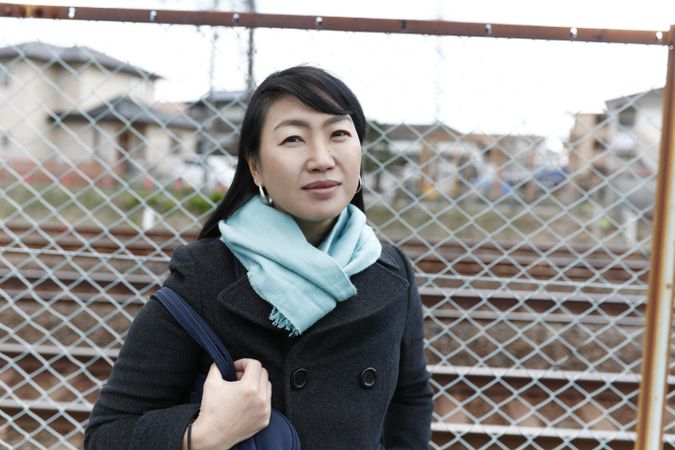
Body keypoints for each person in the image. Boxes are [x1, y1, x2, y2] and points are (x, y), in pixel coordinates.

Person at [84, 65, 433, 450]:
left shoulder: (390, 270)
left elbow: (410, 398)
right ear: (255, 166)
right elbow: (106, 436)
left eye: (338, 134)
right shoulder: (203, 275)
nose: (321, 158)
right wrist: (204, 435)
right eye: (293, 139)